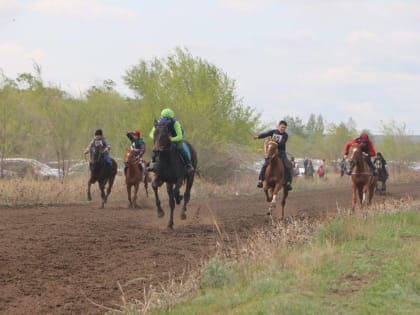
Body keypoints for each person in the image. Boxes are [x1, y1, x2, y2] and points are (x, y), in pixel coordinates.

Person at [148, 108, 194, 174]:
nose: (165, 120)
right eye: (164, 118)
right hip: (163, 140)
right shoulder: (158, 123)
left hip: (175, 138)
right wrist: (157, 139)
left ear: (171, 118)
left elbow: (180, 136)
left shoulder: (175, 123)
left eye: (167, 119)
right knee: (155, 149)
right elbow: (151, 134)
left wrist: (171, 139)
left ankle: (188, 165)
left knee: (180, 148)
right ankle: (152, 165)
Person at [254, 120, 293, 191]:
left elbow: (282, 142)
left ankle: (288, 183)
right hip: (272, 152)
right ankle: (260, 180)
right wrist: (258, 136)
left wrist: (274, 142)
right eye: (282, 127)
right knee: (265, 164)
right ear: (279, 126)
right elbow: (266, 134)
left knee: (287, 166)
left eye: (284, 128)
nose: (283, 129)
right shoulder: (273, 131)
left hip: (281, 152)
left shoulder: (285, 135)